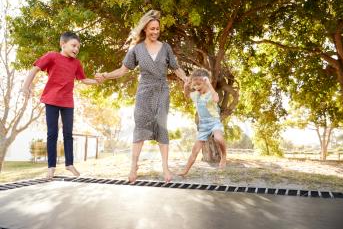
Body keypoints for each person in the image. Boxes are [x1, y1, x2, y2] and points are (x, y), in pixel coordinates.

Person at [95, 10, 187, 183]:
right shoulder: (137, 49)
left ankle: (165, 168)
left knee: (162, 127)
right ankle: (133, 167)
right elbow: (123, 70)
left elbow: (176, 68)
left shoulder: (166, 47)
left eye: (157, 29)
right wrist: (106, 75)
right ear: (145, 29)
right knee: (140, 127)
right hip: (144, 92)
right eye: (152, 29)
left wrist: (186, 78)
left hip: (161, 91)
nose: (155, 32)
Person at [22, 31, 101, 179]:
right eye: (73, 45)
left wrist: (97, 81)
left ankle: (69, 164)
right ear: (63, 44)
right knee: (52, 134)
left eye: (78, 47)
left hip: (67, 102)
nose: (76, 49)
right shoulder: (52, 56)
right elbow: (35, 68)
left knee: (68, 134)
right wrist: (25, 86)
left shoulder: (76, 63)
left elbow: (83, 79)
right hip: (51, 100)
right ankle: (51, 167)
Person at [179, 69, 227, 176]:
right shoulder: (196, 95)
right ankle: (185, 170)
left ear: (206, 82)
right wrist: (186, 86)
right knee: (195, 150)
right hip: (203, 125)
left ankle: (223, 156)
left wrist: (209, 84)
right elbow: (187, 95)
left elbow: (216, 99)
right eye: (194, 85)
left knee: (218, 138)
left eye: (199, 84)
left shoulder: (211, 93)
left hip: (214, 122)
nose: (196, 87)